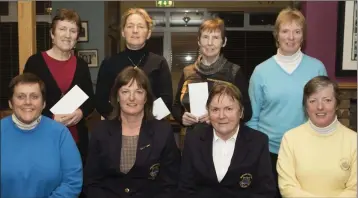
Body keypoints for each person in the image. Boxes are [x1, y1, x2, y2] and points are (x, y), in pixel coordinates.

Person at [246, 7, 327, 196]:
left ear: (303, 37)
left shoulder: (317, 68)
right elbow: (252, 118)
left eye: (297, 31)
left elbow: (325, 112)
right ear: (277, 35)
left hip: (307, 151)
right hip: (269, 153)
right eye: (285, 31)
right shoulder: (261, 72)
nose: (291, 37)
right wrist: (257, 152)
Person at [84, 66, 181, 198]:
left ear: (146, 98)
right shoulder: (100, 131)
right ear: (117, 97)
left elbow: (170, 183)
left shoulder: (163, 132)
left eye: (138, 92)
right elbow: (92, 182)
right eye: (125, 91)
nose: (131, 98)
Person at [176, 82, 276, 198]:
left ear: (241, 112)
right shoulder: (193, 140)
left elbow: (265, 191)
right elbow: (185, 188)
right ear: (208, 112)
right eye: (215, 110)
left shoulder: (258, 141)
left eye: (228, 109)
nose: (221, 116)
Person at [23, 8, 95, 161]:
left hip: (76, 141)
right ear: (52, 34)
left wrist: (81, 113)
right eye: (62, 29)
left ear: (77, 37)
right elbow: (25, 101)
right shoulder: (35, 63)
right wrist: (50, 118)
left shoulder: (81, 65)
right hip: (42, 139)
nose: (67, 35)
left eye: (73, 31)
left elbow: (90, 100)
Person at [1, 73, 82, 198]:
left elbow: (73, 182)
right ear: (11, 103)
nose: (27, 102)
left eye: (34, 96)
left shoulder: (60, 134)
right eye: (21, 96)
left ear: (43, 103)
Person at [277, 76, 357, 197]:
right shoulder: (290, 138)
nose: (320, 107)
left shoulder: (353, 140)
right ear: (306, 106)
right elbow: (287, 187)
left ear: (337, 104)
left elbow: (354, 189)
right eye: (313, 101)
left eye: (327, 100)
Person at [172, 18, 252, 128]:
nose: (210, 43)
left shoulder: (234, 71)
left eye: (215, 38)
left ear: (223, 42)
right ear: (199, 41)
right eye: (205, 37)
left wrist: (217, 117)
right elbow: (176, 105)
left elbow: (247, 112)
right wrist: (182, 118)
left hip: (224, 137)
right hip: (193, 138)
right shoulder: (188, 71)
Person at [95, 8, 173, 119]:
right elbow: (100, 101)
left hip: (151, 127)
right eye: (130, 26)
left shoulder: (159, 63)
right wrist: (121, 120)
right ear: (123, 32)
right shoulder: (109, 63)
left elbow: (167, 100)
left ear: (148, 33)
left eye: (140, 27)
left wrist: (144, 120)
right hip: (117, 127)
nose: (135, 31)